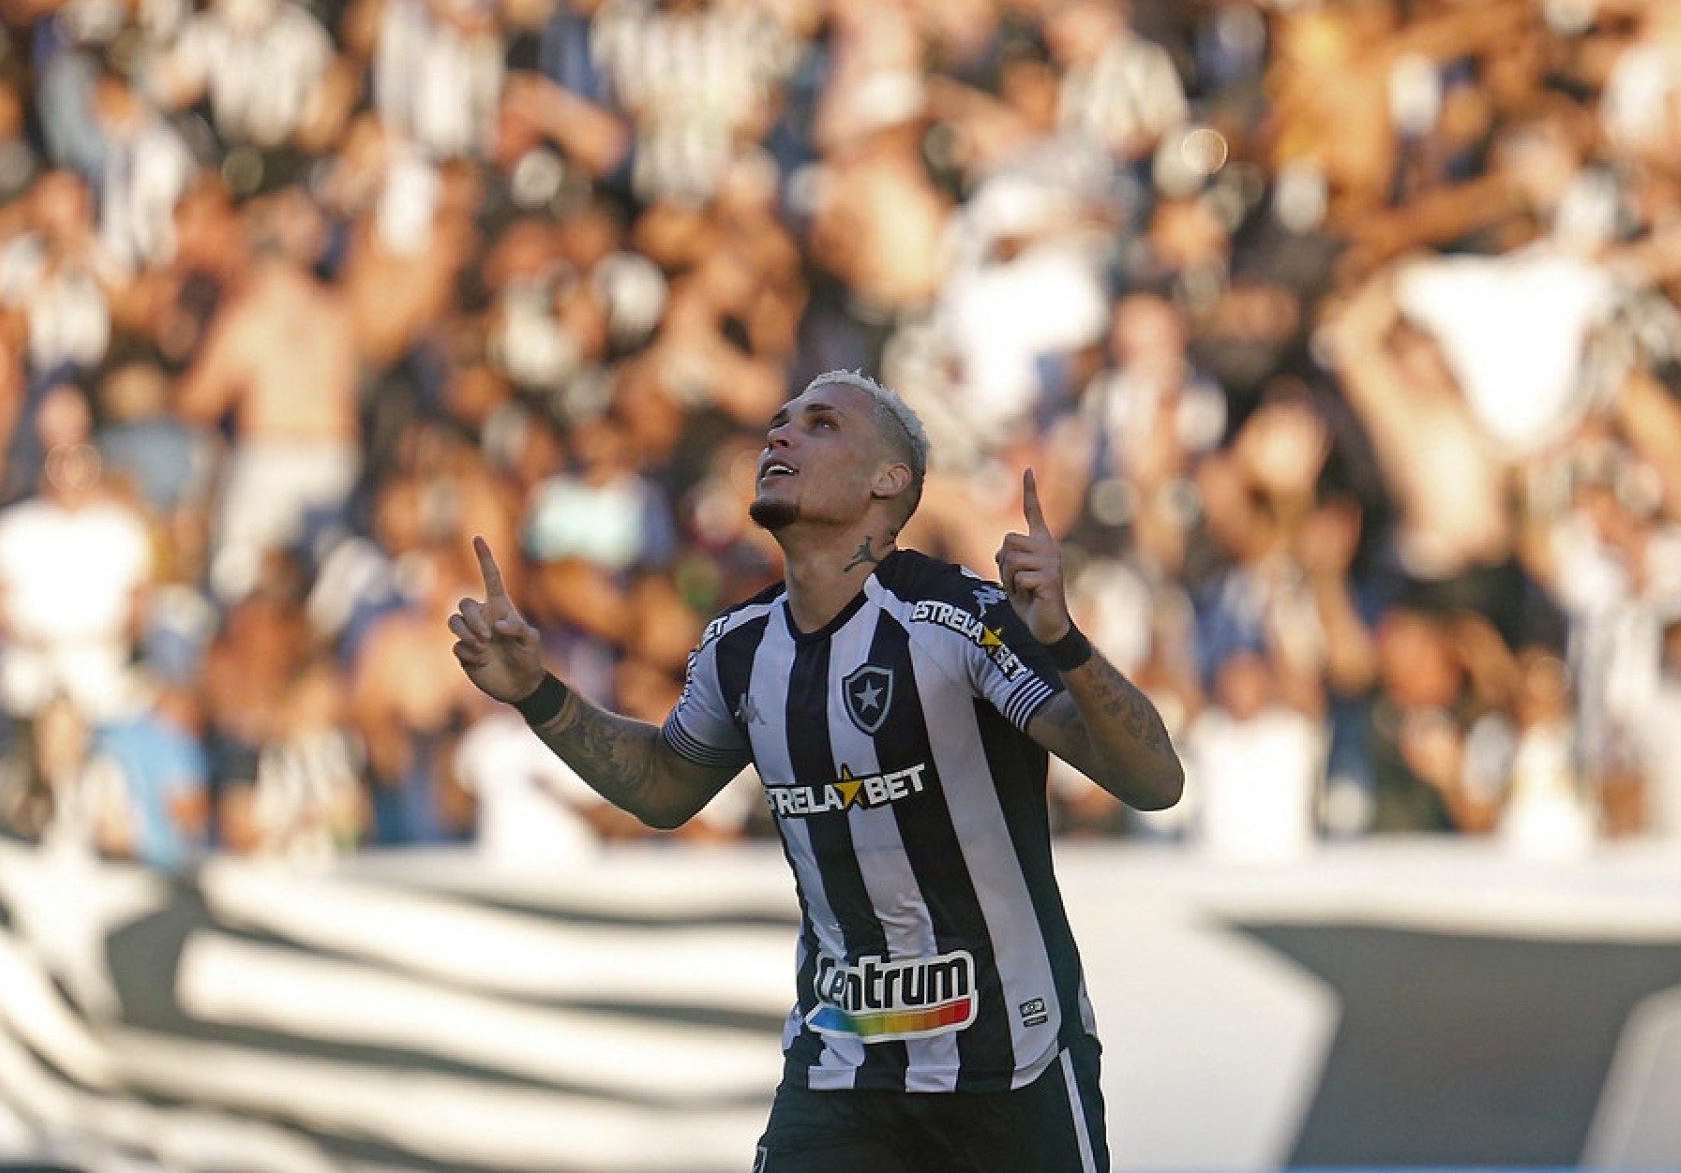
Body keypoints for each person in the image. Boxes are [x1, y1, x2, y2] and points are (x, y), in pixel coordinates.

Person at [450, 370, 1182, 1171]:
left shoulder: (959, 620)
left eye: (820, 423)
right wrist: (538, 694)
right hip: (842, 1068)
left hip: (1012, 1064)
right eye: (780, 422)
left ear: (888, 481)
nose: (781, 435)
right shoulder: (738, 648)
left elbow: (1155, 782)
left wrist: (1064, 641)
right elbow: (663, 788)